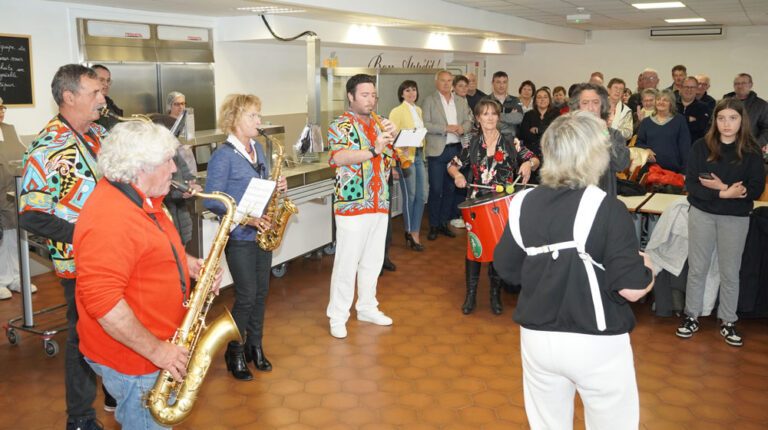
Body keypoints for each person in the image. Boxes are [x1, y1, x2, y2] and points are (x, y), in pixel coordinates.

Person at [493, 111, 654, 430]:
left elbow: (507, 269)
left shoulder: (522, 203)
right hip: (595, 341)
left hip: (538, 339)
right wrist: (647, 264)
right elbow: (632, 289)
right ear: (593, 155)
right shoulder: (607, 207)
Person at [74, 121, 222, 429]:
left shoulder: (141, 197)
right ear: (140, 167)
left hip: (149, 350)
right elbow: (104, 305)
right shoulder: (110, 219)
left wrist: (188, 264)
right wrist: (159, 352)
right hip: (137, 361)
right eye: (167, 161)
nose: (174, 169)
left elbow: (147, 251)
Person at [18, 64, 106, 430]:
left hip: (114, 255)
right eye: (94, 92)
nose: (102, 98)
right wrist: (86, 235)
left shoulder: (99, 134)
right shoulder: (46, 148)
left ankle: (115, 393)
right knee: (83, 337)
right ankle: (80, 417)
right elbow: (31, 215)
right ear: (69, 97)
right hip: (79, 262)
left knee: (115, 328)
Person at [203, 94, 287, 379]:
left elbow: (261, 186)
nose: (259, 121)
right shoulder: (223, 156)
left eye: (258, 115)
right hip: (239, 235)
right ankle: (235, 351)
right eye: (253, 115)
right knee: (247, 295)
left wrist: (278, 185)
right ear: (235, 119)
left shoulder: (258, 149)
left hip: (262, 233)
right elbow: (212, 199)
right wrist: (245, 217)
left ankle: (255, 345)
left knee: (261, 293)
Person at [677, 98, 765, 347]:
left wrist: (722, 188)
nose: (727, 124)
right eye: (722, 118)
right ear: (715, 121)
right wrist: (724, 193)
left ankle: (728, 320)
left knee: (730, 272)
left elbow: (756, 188)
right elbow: (691, 184)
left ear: (742, 121)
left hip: (735, 218)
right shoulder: (701, 146)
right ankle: (691, 316)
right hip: (702, 213)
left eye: (733, 118)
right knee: (698, 269)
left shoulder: (751, 151)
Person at [448, 98, 538, 315]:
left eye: (494, 113)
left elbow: (535, 159)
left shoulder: (510, 141)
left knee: (498, 249)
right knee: (475, 248)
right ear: (478, 118)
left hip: (503, 204)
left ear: (498, 117)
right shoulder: (472, 144)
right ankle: (470, 295)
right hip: (477, 204)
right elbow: (452, 165)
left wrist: (528, 164)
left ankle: (495, 295)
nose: (490, 118)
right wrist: (458, 175)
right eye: (485, 114)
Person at [326, 74, 398, 339]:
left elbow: (395, 157)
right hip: (352, 204)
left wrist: (396, 137)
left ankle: (367, 306)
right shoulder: (340, 125)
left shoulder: (380, 122)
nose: (371, 100)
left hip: (379, 201)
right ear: (351, 96)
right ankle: (338, 315)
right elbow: (339, 157)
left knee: (373, 260)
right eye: (365, 95)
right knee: (347, 262)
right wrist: (373, 149)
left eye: (373, 95)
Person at [422, 70, 472, 240]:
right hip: (437, 151)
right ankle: (434, 225)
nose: (446, 83)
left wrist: (462, 128)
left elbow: (468, 122)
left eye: (449, 81)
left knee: (450, 189)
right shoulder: (429, 100)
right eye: (443, 80)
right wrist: (445, 128)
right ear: (436, 82)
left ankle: (444, 223)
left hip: (456, 149)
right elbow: (425, 124)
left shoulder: (460, 101)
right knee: (436, 189)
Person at [0, 97, 38, 300]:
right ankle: (1, 280)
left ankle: (16, 277)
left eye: (2, 107)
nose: (1, 111)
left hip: (11, 193)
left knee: (13, 237)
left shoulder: (10, 129)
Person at [568, 82, 630, 196]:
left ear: (602, 106)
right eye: (585, 103)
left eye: (595, 102)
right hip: (574, 198)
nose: (591, 108)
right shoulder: (567, 134)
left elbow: (621, 164)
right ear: (577, 107)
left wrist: (605, 135)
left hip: (604, 198)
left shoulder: (613, 135)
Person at [388, 80, 427, 251]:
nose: (411, 93)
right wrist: (393, 164)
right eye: (407, 90)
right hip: (404, 158)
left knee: (421, 196)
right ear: (402, 94)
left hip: (418, 155)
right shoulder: (397, 111)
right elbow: (391, 138)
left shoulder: (418, 110)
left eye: (414, 90)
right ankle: (411, 232)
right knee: (410, 196)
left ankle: (415, 230)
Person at [635, 89, 692, 174]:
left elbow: (685, 147)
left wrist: (684, 172)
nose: (661, 102)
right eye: (658, 99)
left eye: (665, 100)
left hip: (673, 171)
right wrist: (646, 150)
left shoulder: (679, 120)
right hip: (650, 170)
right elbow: (638, 143)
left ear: (671, 103)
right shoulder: (646, 122)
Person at [723, 73, 768, 148]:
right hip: (725, 147)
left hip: (749, 148)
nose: (740, 86)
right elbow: (713, 123)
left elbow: (766, 129)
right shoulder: (724, 103)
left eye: (743, 83)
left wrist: (756, 145)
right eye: (737, 84)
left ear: (751, 85)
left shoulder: (761, 105)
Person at [519, 88, 560, 163]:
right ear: (535, 100)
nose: (542, 99)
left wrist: (538, 130)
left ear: (549, 100)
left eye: (545, 97)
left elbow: (557, 131)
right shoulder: (528, 115)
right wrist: (545, 130)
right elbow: (523, 134)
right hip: (532, 152)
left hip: (551, 150)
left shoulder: (556, 113)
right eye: (539, 97)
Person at [485, 71, 524, 139]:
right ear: (492, 83)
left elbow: (519, 118)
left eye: (504, 82)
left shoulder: (515, 100)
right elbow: (485, 120)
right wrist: (509, 117)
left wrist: (496, 115)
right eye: (498, 82)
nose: (501, 85)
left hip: (510, 140)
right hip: (490, 139)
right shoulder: (485, 100)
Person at [677, 76, 711, 143]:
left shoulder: (704, 107)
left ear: (696, 89)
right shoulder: (672, 105)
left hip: (694, 145)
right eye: (686, 87)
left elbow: (701, 128)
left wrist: (678, 121)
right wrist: (687, 119)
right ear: (681, 88)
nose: (689, 90)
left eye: (692, 87)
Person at [92, 64, 123, 131]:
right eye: (101, 80)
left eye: (108, 80)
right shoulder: (86, 104)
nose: (106, 84)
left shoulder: (109, 101)